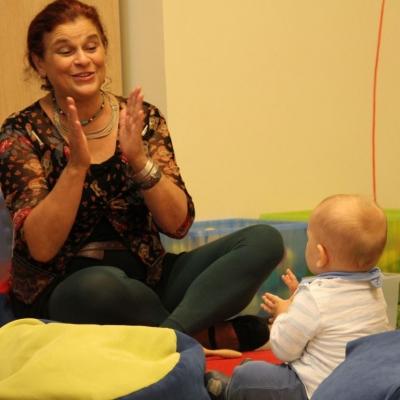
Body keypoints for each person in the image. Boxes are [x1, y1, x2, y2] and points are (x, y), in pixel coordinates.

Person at [0, 0, 284, 350]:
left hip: (150, 278)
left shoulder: (142, 117)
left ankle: (171, 338)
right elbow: (41, 248)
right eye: (66, 50)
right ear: (40, 62)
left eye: (91, 46)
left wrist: (138, 160)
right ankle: (196, 334)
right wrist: (75, 168)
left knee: (263, 241)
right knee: (101, 286)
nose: (83, 59)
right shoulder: (21, 132)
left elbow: (178, 224)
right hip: (67, 289)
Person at [206, 194, 391, 399]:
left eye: (309, 239)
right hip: (364, 389)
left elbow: (284, 350)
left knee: (248, 374)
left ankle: (231, 390)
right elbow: (331, 321)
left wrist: (283, 315)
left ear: (321, 255)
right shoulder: (374, 289)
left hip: (315, 390)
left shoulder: (315, 297)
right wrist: (298, 300)